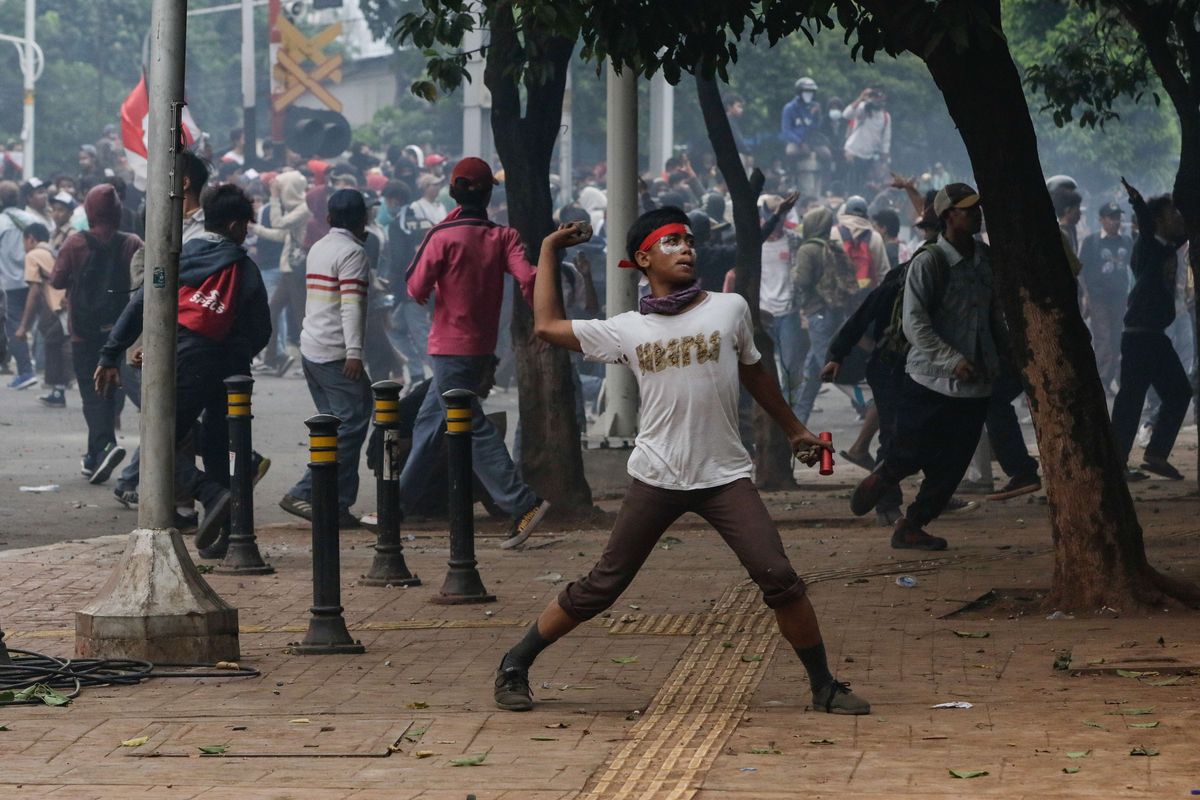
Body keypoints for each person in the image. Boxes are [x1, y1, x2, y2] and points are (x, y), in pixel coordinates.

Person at [492, 206, 870, 716]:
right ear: (643, 259)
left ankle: (823, 685)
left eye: (689, 241)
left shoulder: (729, 309)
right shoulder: (628, 329)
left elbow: (755, 374)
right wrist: (547, 250)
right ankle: (514, 664)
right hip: (657, 475)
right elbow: (546, 327)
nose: (687, 248)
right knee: (603, 586)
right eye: (673, 242)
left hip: (724, 477)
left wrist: (795, 430)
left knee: (779, 577)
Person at [96, 184, 272, 554]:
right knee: (222, 446)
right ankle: (230, 537)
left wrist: (111, 352)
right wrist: (229, 353)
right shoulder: (245, 267)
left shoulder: (182, 257)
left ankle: (210, 493)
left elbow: (142, 301)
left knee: (161, 440)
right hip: (230, 375)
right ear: (237, 225)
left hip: (183, 360)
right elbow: (261, 329)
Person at [399, 157, 548, 549]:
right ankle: (396, 505)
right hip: (481, 348)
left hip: (449, 347)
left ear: (452, 191)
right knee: (429, 424)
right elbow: (529, 277)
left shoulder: (442, 236)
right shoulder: (505, 237)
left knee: (472, 428)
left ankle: (523, 502)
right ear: (489, 194)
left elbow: (415, 288)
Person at [849, 184, 1001, 550]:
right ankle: (884, 477)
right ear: (949, 216)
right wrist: (952, 359)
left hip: (976, 382)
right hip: (930, 378)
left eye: (978, 209)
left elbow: (994, 316)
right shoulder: (929, 261)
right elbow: (915, 324)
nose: (976, 215)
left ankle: (912, 525)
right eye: (968, 210)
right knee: (910, 451)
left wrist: (999, 359)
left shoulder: (986, 259)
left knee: (952, 465)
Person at [279, 190, 374, 528]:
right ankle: (306, 492)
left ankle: (334, 503)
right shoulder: (352, 253)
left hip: (312, 348)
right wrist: (354, 354)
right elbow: (351, 306)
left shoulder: (319, 247)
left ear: (330, 219)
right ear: (363, 219)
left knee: (336, 424)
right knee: (349, 425)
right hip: (335, 353)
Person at [50, 184, 141, 484]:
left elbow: (57, 280)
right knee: (112, 389)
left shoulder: (76, 243)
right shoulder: (131, 243)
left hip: (83, 334)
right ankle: (94, 456)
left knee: (92, 394)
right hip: (121, 331)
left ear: (89, 211)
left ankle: (104, 447)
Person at [1110, 179, 1191, 479]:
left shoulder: (1168, 247)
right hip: (1139, 335)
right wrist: (1139, 204)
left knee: (1178, 393)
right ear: (1157, 220)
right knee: (1131, 400)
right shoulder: (1147, 246)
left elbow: (1188, 229)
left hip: (1153, 335)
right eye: (1173, 215)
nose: (1179, 220)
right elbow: (1146, 226)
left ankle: (1155, 453)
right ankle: (1116, 463)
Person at [791, 205, 860, 425]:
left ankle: (867, 402)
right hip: (834, 311)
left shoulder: (807, 249)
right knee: (813, 371)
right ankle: (798, 419)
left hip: (817, 313)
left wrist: (793, 273)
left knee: (830, 367)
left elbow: (802, 281)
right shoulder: (832, 246)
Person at [254, 170, 311, 375]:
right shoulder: (297, 209)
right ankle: (272, 358)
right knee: (272, 311)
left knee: (300, 318)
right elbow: (282, 235)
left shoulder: (304, 209)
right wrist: (255, 229)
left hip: (296, 271)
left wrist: (274, 197)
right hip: (289, 269)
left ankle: (310, 363)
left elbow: (278, 223)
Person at [13, 223, 69, 407]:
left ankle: (59, 389)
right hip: (68, 302)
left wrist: (23, 326)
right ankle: (58, 389)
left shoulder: (33, 255)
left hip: (59, 307)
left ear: (31, 239)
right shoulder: (52, 251)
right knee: (55, 342)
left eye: (24, 241)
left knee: (54, 342)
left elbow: (34, 290)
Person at [1078, 201, 1131, 393]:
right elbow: (1081, 269)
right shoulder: (1092, 242)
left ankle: (1110, 379)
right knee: (1103, 338)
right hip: (1098, 298)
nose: (1116, 221)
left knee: (1117, 338)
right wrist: (1085, 295)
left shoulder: (1126, 241)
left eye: (1118, 217)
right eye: (1112, 217)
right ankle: (1101, 380)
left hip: (1120, 299)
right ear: (1101, 220)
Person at [0, 180, 36, 387]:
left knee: (15, 326)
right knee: (30, 325)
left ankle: (25, 371)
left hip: (9, 284)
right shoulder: (29, 219)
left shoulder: (1, 222)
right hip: (32, 281)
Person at [832, 195, 889, 289]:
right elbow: (883, 272)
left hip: (839, 294)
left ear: (845, 212)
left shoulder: (833, 233)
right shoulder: (875, 237)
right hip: (866, 295)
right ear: (866, 214)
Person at [841, 89, 891, 195]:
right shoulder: (863, 109)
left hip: (870, 155)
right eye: (875, 97)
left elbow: (886, 141)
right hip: (853, 152)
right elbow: (846, 114)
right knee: (852, 182)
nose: (878, 100)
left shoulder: (886, 117)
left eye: (880, 98)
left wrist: (884, 162)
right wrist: (860, 98)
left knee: (867, 184)